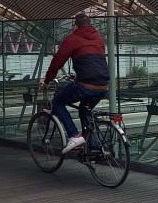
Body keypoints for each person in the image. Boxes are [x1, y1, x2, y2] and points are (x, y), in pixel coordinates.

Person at [42, 9, 111, 154]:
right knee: (85, 111)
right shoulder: (98, 38)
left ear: (75, 26)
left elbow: (57, 61)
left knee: (58, 101)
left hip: (86, 85)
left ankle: (74, 136)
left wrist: (47, 79)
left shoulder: (72, 38)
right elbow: (93, 62)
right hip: (103, 85)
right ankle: (91, 147)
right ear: (90, 25)